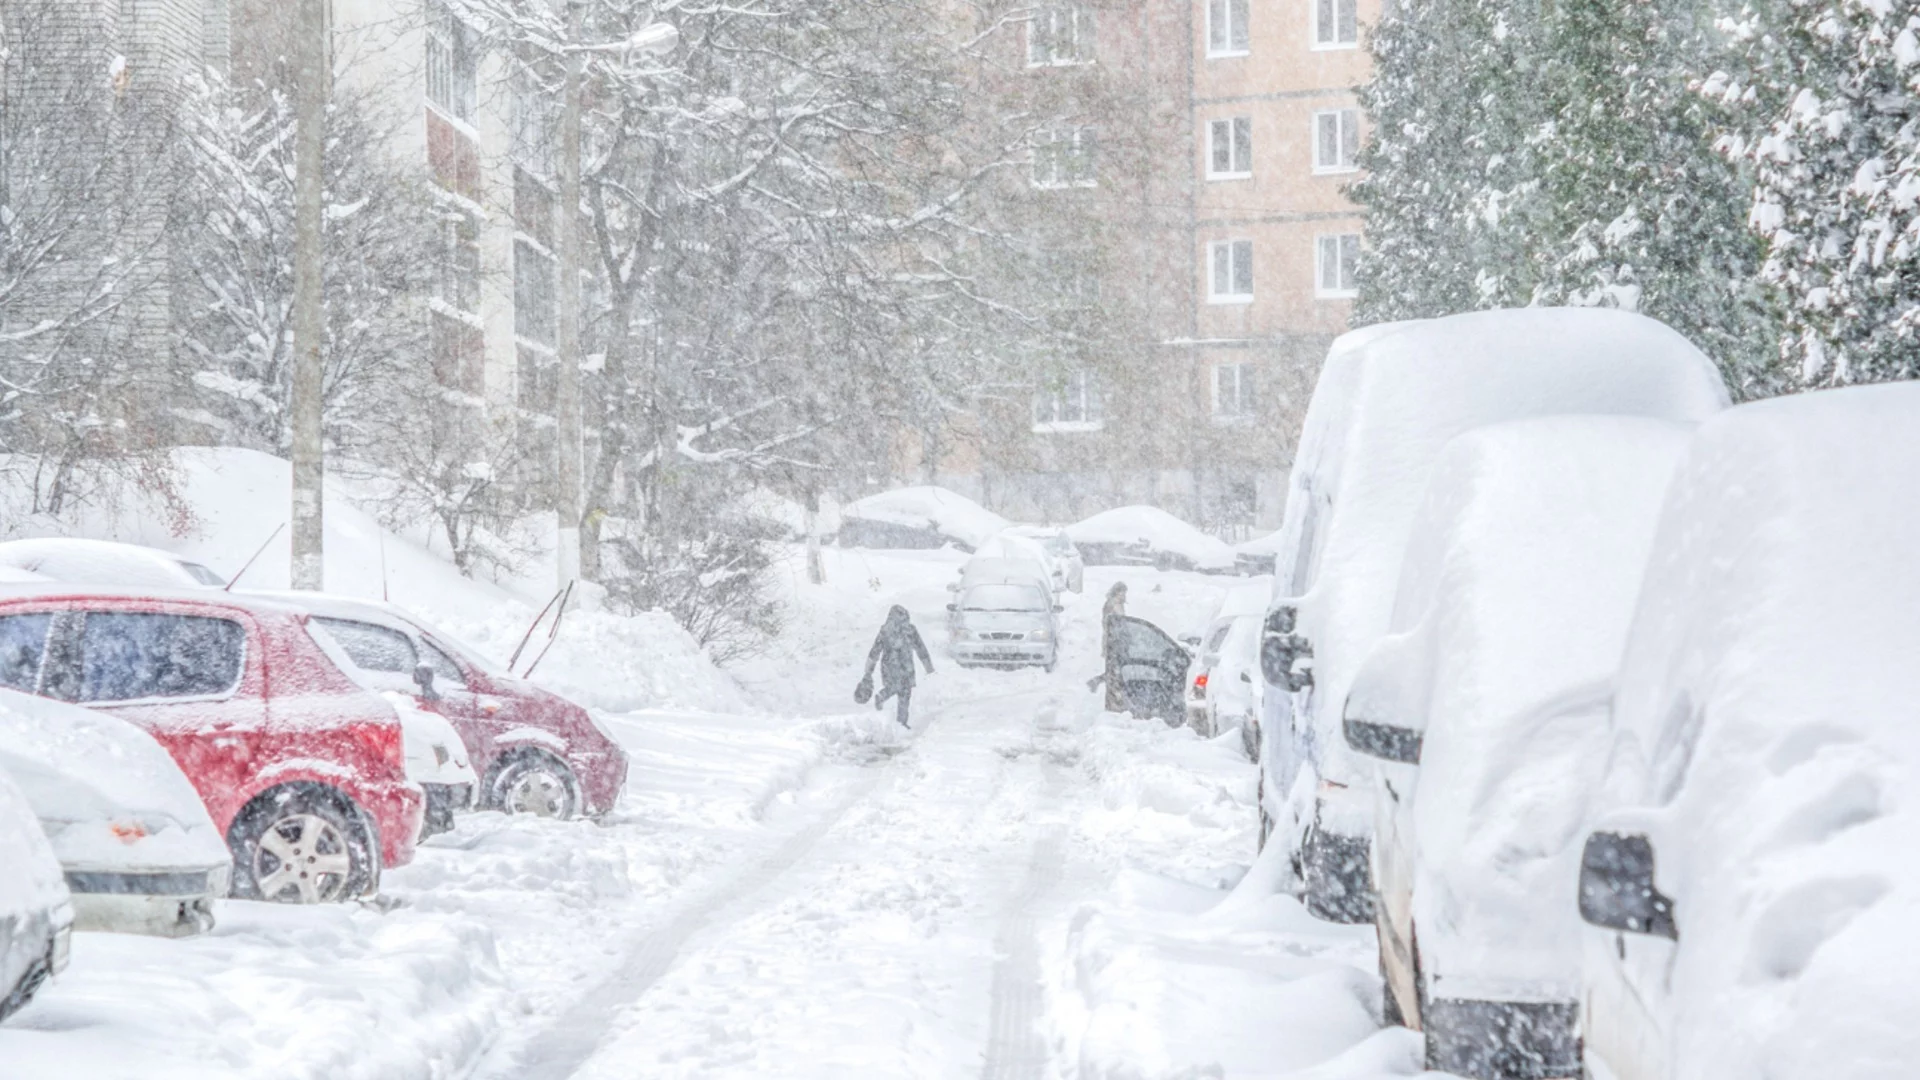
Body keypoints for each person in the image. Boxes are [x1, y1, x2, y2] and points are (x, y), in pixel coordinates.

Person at [863, 605, 934, 728]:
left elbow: (875, 651)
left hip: (889, 666)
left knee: (894, 687)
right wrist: (929, 667)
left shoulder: (885, 631)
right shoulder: (910, 630)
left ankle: (883, 697)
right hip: (906, 667)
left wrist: (869, 670)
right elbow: (921, 649)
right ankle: (901, 722)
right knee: (905, 693)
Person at [1101, 582, 1128, 713]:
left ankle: (1115, 701)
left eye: (1125, 592)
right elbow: (1109, 625)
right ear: (1116, 592)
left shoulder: (1118, 604)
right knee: (1113, 673)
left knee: (1115, 672)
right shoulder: (1112, 605)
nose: (1124, 595)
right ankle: (1112, 704)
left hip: (1117, 643)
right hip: (1113, 643)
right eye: (1122, 592)